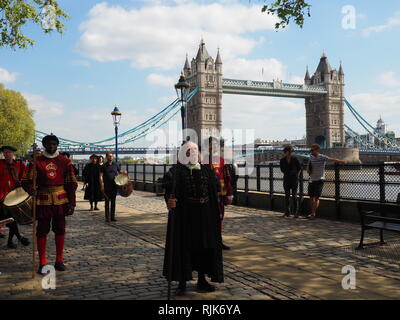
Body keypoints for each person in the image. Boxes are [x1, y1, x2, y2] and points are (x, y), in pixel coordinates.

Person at [163, 141, 224, 296]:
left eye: (195, 150)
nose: (192, 153)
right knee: (184, 247)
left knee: (204, 247)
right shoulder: (176, 172)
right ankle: (182, 281)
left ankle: (202, 279)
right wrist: (169, 201)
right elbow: (169, 190)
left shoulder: (207, 171)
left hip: (205, 215)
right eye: (189, 150)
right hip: (185, 215)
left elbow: (215, 189)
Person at [22, 135, 78, 274]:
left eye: (54, 144)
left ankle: (59, 260)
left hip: (61, 200)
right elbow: (26, 180)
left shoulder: (65, 161)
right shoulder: (36, 161)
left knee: (60, 229)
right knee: (42, 230)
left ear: (57, 145)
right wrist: (31, 189)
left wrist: (72, 203)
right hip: (42, 200)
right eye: (49, 144)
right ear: (44, 144)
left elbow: (71, 183)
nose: (51, 146)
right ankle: (42, 262)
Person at [204, 137, 233, 250]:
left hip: (220, 195)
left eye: (215, 145)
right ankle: (209, 241)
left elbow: (227, 178)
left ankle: (218, 241)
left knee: (220, 217)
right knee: (208, 219)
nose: (213, 148)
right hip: (208, 196)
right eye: (211, 146)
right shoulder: (204, 161)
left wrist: (229, 194)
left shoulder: (222, 161)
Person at [0, 146, 30, 248]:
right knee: (10, 220)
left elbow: (26, 177)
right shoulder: (0, 164)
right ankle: (18, 238)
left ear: (13, 153)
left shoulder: (19, 164)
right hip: (1, 197)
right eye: (5, 153)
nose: (7, 154)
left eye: (9, 152)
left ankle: (12, 241)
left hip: (15, 197)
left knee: (12, 220)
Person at [307, 144, 346, 219]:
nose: (311, 151)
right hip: (311, 179)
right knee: (311, 198)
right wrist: (308, 170)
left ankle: (313, 213)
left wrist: (341, 161)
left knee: (316, 197)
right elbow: (309, 166)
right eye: (311, 150)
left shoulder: (322, 157)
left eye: (312, 150)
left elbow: (331, 159)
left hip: (319, 179)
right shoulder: (310, 157)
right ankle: (312, 212)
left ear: (317, 150)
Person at [99, 152, 125, 222]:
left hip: (114, 185)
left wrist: (124, 172)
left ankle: (112, 217)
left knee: (113, 202)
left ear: (113, 157)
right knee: (107, 202)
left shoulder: (116, 165)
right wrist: (102, 185)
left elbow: (120, 172)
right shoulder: (103, 166)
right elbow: (101, 176)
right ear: (106, 157)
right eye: (109, 156)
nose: (110, 157)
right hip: (107, 186)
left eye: (111, 156)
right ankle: (107, 217)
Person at [280, 146, 302, 218]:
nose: (289, 153)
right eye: (288, 152)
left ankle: (296, 212)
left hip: (294, 180)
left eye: (290, 152)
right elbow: (282, 169)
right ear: (285, 152)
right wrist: (287, 174)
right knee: (287, 196)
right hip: (286, 179)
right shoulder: (282, 160)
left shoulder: (295, 159)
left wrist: (296, 175)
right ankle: (287, 212)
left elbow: (299, 168)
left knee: (294, 196)